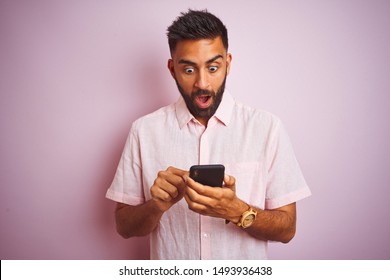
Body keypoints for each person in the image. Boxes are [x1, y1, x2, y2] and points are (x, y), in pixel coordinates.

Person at [106, 9, 311, 259]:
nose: (202, 83)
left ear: (228, 63)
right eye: (189, 70)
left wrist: (237, 210)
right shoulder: (144, 131)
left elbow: (287, 229)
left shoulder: (267, 128)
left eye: (213, 68)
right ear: (172, 69)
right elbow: (124, 226)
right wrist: (156, 205)